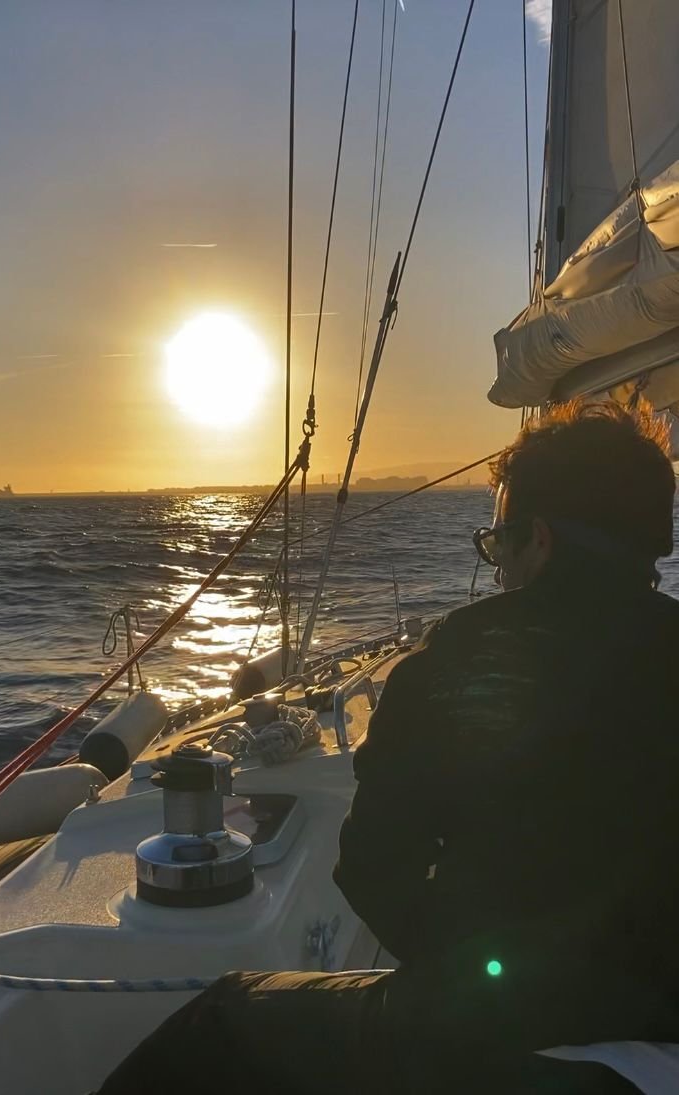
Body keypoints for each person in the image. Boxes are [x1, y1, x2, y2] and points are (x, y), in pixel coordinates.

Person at [95, 401, 679, 1094]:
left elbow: (374, 868)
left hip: (500, 1033)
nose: (497, 573)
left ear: (541, 539)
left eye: (500, 545)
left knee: (219, 1023)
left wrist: (468, 974)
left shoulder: (453, 661)